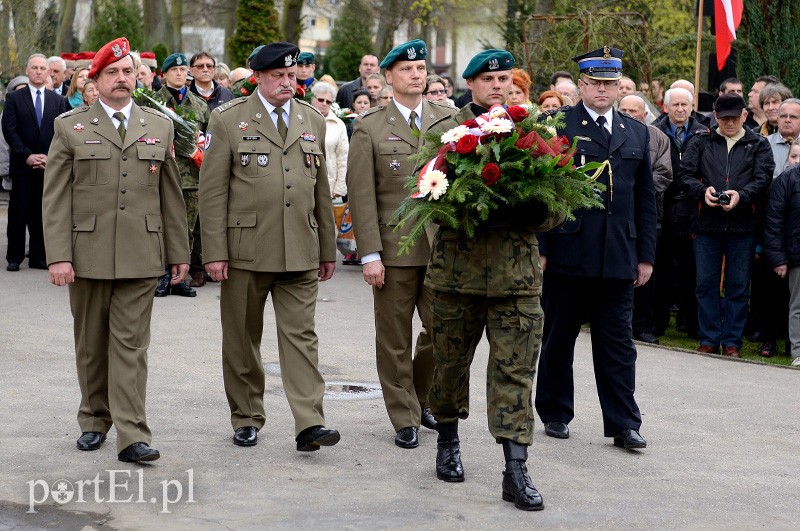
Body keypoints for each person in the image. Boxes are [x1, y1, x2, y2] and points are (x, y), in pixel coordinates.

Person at [426, 49, 562, 512]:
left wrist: (535, 211)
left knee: (515, 372)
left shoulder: (535, 132)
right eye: (488, 80)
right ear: (471, 86)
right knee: (448, 365)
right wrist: (470, 207)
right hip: (455, 278)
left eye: (505, 78)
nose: (498, 86)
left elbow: (561, 200)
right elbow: (428, 197)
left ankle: (515, 468)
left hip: (516, 281)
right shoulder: (445, 133)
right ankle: (447, 440)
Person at [42, 36, 190, 463]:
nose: (123, 79)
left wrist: (178, 252)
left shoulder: (159, 126)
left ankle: (133, 435)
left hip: (141, 253)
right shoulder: (70, 126)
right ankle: (93, 420)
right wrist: (59, 256)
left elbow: (171, 196)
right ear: (96, 79)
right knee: (91, 343)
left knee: (131, 346)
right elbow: (55, 198)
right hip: (85, 253)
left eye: (129, 71)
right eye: (113, 72)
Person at [199, 42, 340, 452]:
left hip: (300, 247)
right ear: (257, 77)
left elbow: (321, 190)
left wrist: (327, 248)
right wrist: (214, 251)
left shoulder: (312, 118)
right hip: (246, 248)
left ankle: (310, 422)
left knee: (302, 337)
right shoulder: (227, 120)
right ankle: (246, 416)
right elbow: (211, 194)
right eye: (278, 76)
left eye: (292, 76)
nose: (286, 83)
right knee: (243, 337)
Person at [535, 46, 657, 450]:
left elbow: (645, 200)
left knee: (618, 345)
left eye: (610, 84)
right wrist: (542, 245)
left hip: (618, 255)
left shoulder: (636, 131)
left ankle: (624, 423)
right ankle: (554, 412)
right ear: (581, 85)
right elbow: (543, 192)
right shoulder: (556, 125)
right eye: (595, 83)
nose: (602, 90)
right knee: (558, 336)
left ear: (620, 87)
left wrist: (646, 256)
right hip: (569, 250)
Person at [346, 39, 457, 450]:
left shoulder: (448, 120)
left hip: (440, 248)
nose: (417, 75)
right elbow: (362, 195)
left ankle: (420, 395)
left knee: (441, 330)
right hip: (392, 251)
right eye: (408, 70)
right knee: (393, 336)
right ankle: (404, 416)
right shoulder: (370, 126)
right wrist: (370, 254)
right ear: (388, 77)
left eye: (421, 68)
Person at [678, 93, 773, 357]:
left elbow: (763, 178)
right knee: (705, 284)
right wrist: (702, 192)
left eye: (734, 118)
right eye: (723, 119)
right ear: (715, 117)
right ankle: (708, 338)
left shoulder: (758, 144)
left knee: (739, 286)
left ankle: (732, 341)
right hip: (707, 225)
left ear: (744, 116)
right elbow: (685, 176)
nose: (729, 123)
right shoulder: (701, 141)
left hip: (743, 227)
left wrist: (741, 196)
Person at [652, 87, 710, 339]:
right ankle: (657, 322)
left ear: (691, 107)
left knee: (692, 271)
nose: (679, 109)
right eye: (674, 105)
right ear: (665, 107)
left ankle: (691, 323)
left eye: (684, 105)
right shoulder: (654, 131)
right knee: (660, 271)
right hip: (661, 209)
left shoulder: (704, 133)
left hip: (694, 210)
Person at [2, 53, 66, 271]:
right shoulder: (14, 99)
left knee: (42, 213)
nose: (39, 71)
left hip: (49, 166)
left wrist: (50, 156)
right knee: (18, 212)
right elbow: (9, 130)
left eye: (42, 68)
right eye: (34, 68)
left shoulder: (58, 101)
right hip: (22, 165)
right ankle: (14, 256)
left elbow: (61, 133)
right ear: (27, 71)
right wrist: (27, 155)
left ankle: (39, 256)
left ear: (48, 72)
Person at [153, 52, 210, 298]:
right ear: (164, 74)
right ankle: (162, 275)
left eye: (183, 69)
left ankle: (180, 276)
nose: (180, 73)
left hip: (190, 178)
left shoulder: (199, 105)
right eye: (174, 70)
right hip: (161, 176)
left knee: (186, 228)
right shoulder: (151, 102)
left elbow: (209, 140)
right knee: (161, 226)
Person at [619, 94, 673, 344]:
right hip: (616, 216)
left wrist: (637, 192)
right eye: (624, 109)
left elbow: (664, 173)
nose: (629, 114)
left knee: (645, 272)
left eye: (634, 111)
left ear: (644, 114)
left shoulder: (658, 137)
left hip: (648, 216)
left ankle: (642, 324)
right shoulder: (611, 132)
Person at [764, 149, 800, 367]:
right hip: (797, 253)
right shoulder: (789, 177)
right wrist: (778, 258)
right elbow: (773, 220)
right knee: (798, 305)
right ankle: (798, 350)